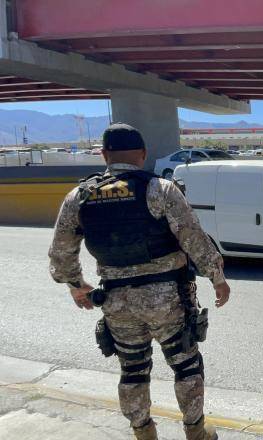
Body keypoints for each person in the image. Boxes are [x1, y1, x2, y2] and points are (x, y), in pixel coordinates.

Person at [48, 123, 231, 440]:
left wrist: (77, 285)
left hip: (117, 302)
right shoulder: (160, 189)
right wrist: (217, 278)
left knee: (132, 370)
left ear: (104, 154)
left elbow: (60, 254)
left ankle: (144, 434)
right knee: (185, 365)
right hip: (167, 299)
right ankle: (196, 433)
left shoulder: (80, 196)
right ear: (143, 154)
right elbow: (194, 240)